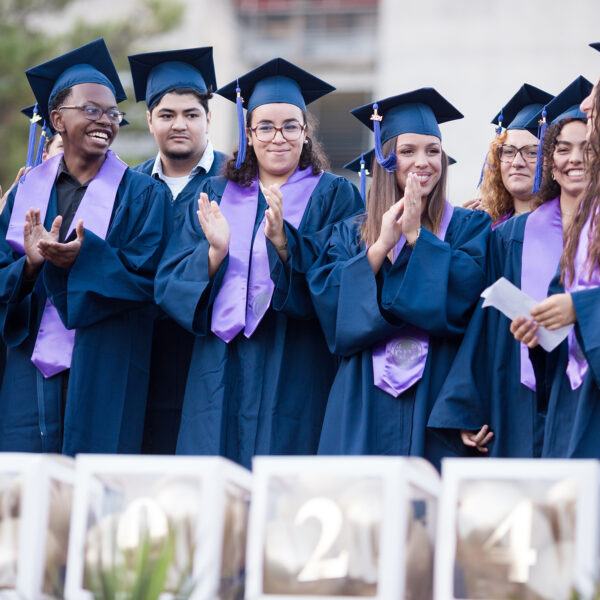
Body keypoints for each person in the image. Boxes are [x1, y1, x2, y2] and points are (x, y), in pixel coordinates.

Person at [155, 58, 364, 468]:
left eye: (290, 125)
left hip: (296, 360)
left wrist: (286, 247)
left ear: (306, 133)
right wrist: (213, 254)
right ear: (249, 134)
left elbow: (345, 282)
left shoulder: (337, 196)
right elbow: (169, 283)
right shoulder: (213, 193)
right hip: (218, 365)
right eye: (265, 127)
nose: (278, 137)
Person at [0, 38, 171, 454]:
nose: (106, 121)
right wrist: (30, 266)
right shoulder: (26, 191)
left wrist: (86, 258)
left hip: (105, 363)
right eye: (91, 110)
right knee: (26, 491)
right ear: (57, 119)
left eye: (113, 112)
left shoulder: (145, 195)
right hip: (29, 369)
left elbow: (150, 281)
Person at [307, 88, 490, 469]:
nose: (423, 162)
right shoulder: (349, 234)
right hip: (362, 397)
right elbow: (332, 313)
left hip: (435, 396)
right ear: (385, 158)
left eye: (433, 150)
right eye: (408, 151)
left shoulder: (470, 227)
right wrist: (379, 248)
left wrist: (418, 239)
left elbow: (464, 303)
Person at [429, 76, 592, 458]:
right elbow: (485, 330)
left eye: (586, 149)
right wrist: (468, 408)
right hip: (518, 399)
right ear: (552, 165)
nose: (573, 159)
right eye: (562, 149)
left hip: (587, 391)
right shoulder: (509, 235)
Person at [128, 47, 228, 454]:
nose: (179, 125)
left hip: (209, 352)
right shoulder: (124, 187)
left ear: (209, 119)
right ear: (150, 120)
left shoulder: (236, 182)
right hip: (139, 352)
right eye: (167, 115)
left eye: (191, 114)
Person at [511, 67, 600, 458]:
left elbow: (577, 304)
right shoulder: (585, 220)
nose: (585, 106)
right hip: (573, 397)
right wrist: (539, 332)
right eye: (562, 148)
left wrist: (581, 308)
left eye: (595, 106)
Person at [478, 84, 553, 227]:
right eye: (509, 152)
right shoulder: (485, 229)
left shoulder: (568, 228)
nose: (517, 162)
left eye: (532, 152)